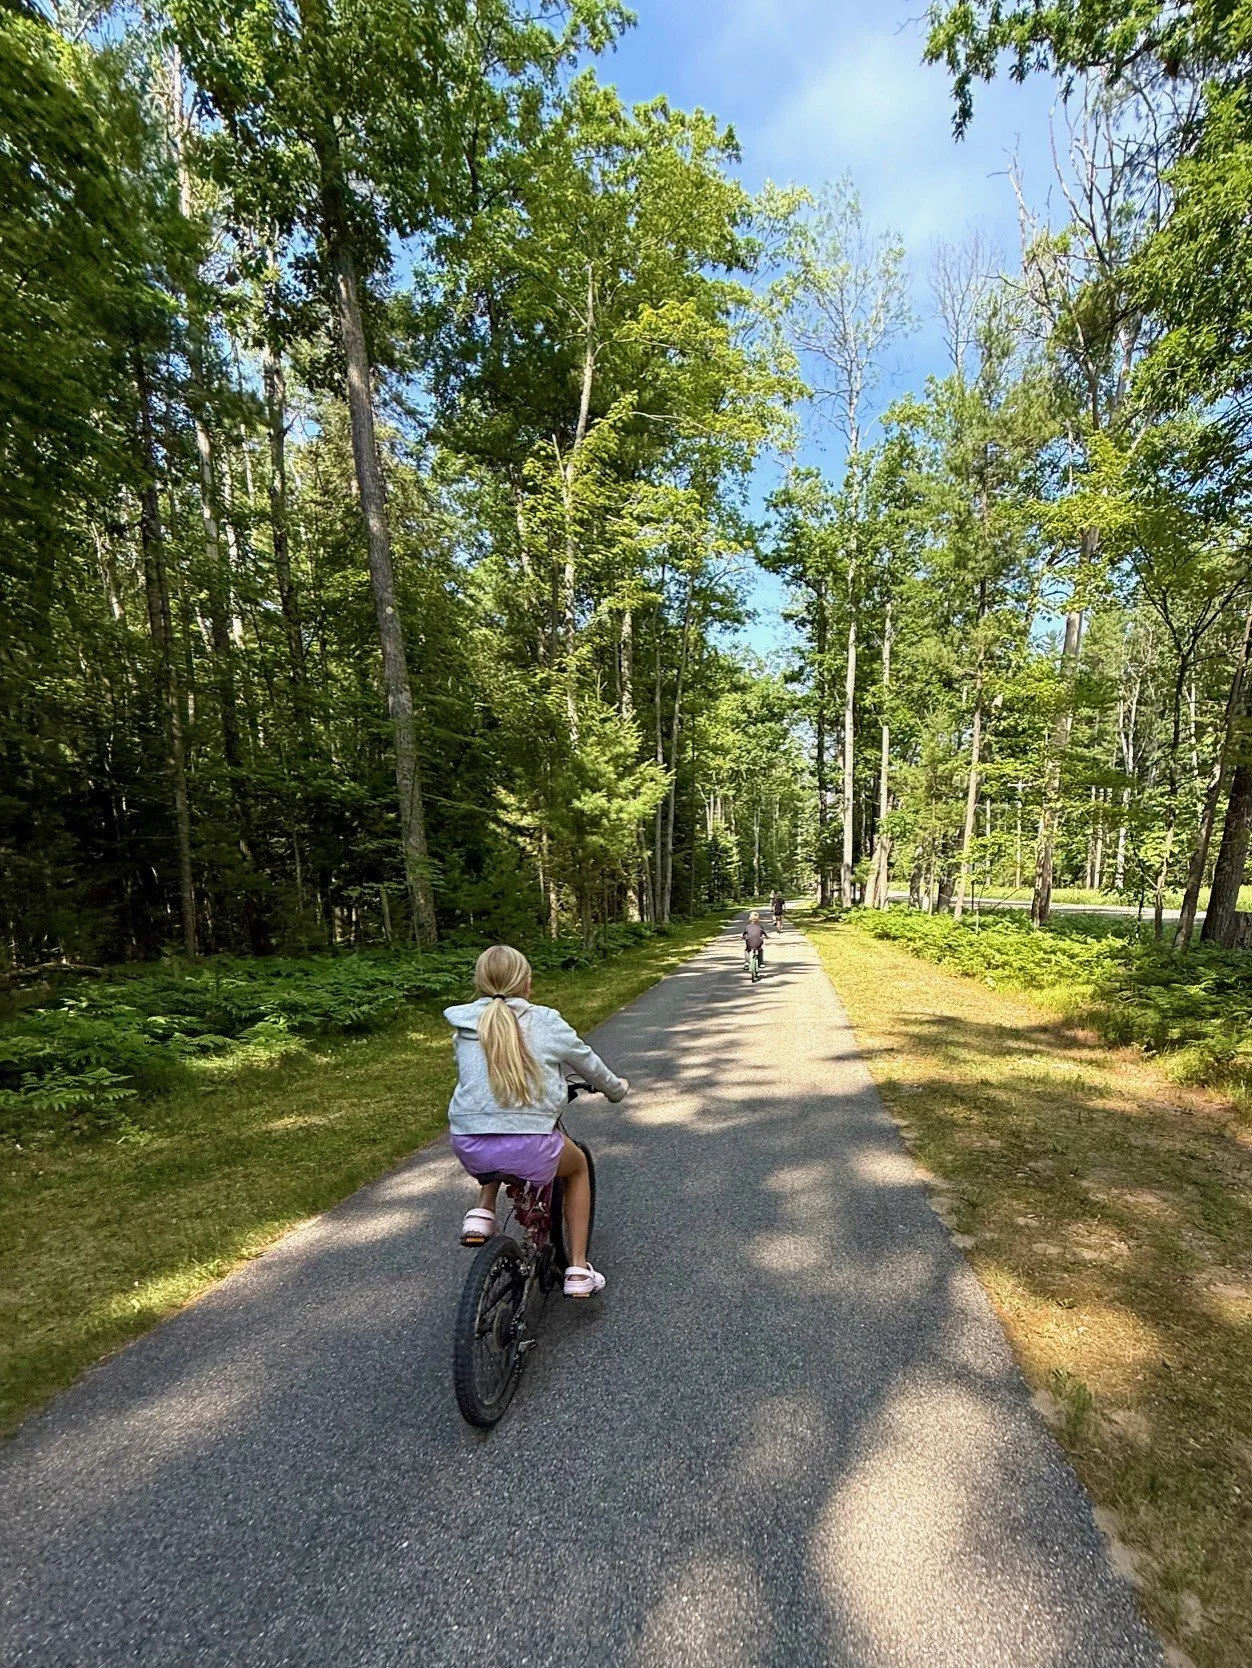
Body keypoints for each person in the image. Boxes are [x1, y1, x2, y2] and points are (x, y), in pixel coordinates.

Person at [444, 944, 628, 1298]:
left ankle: (482, 1212)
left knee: (495, 1130)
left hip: (467, 1143)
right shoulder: (545, 1021)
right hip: (531, 1146)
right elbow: (588, 1063)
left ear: (479, 983)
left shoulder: (465, 1024)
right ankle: (577, 1268)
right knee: (577, 1170)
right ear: (527, 983)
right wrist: (616, 1090)